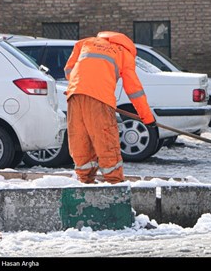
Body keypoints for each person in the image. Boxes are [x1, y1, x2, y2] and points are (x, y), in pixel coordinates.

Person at [64, 31, 156, 184]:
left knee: (80, 141)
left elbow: (69, 70)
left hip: (75, 95)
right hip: (101, 99)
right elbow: (134, 90)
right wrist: (147, 118)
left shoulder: (86, 43)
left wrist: (84, 85)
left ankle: (84, 181)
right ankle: (114, 183)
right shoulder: (124, 53)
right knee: (106, 142)